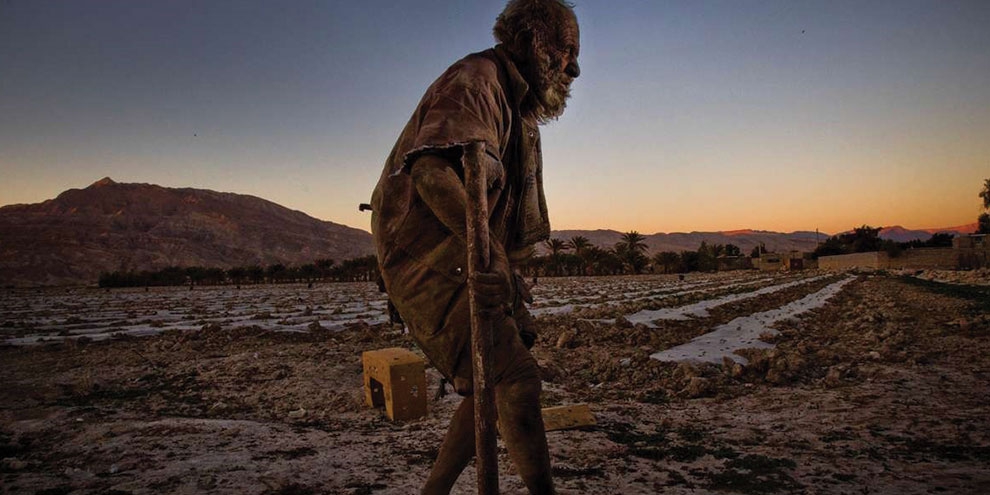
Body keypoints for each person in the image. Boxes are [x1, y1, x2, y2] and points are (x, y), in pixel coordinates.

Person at [369, 1, 579, 493]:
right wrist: (490, 257)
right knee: (516, 376)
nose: (573, 67)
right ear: (532, 40)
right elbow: (431, 171)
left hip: (465, 253)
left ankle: (434, 491)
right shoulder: (477, 80)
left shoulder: (518, 106)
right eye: (566, 51)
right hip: (428, 256)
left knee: (493, 375)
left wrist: (505, 269)